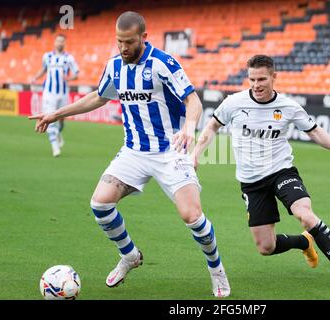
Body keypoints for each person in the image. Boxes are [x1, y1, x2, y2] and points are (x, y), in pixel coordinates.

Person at [29, 11, 231, 297]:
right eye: (119, 42)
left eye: (129, 42)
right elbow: (98, 97)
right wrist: (55, 113)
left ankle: (216, 270)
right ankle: (130, 256)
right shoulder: (114, 66)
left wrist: (188, 127)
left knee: (193, 216)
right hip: (134, 151)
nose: (123, 48)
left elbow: (192, 100)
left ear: (144, 37)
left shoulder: (163, 63)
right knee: (100, 205)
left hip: (169, 151)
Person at [192, 55, 330, 289]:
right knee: (265, 247)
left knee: (305, 214)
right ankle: (304, 242)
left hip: (282, 172)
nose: (256, 84)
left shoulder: (288, 106)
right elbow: (212, 126)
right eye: (251, 79)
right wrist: (196, 153)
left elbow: (314, 131)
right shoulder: (234, 103)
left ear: (274, 77)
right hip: (251, 182)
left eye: (261, 79)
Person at [31, 34, 79, 157]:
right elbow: (43, 69)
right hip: (49, 93)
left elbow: (76, 74)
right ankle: (55, 147)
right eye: (58, 41)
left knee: (61, 119)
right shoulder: (47, 56)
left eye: (62, 41)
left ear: (64, 43)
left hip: (63, 93)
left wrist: (68, 78)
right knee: (49, 118)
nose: (60, 43)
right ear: (55, 42)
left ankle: (58, 132)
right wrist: (35, 77)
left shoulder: (69, 58)